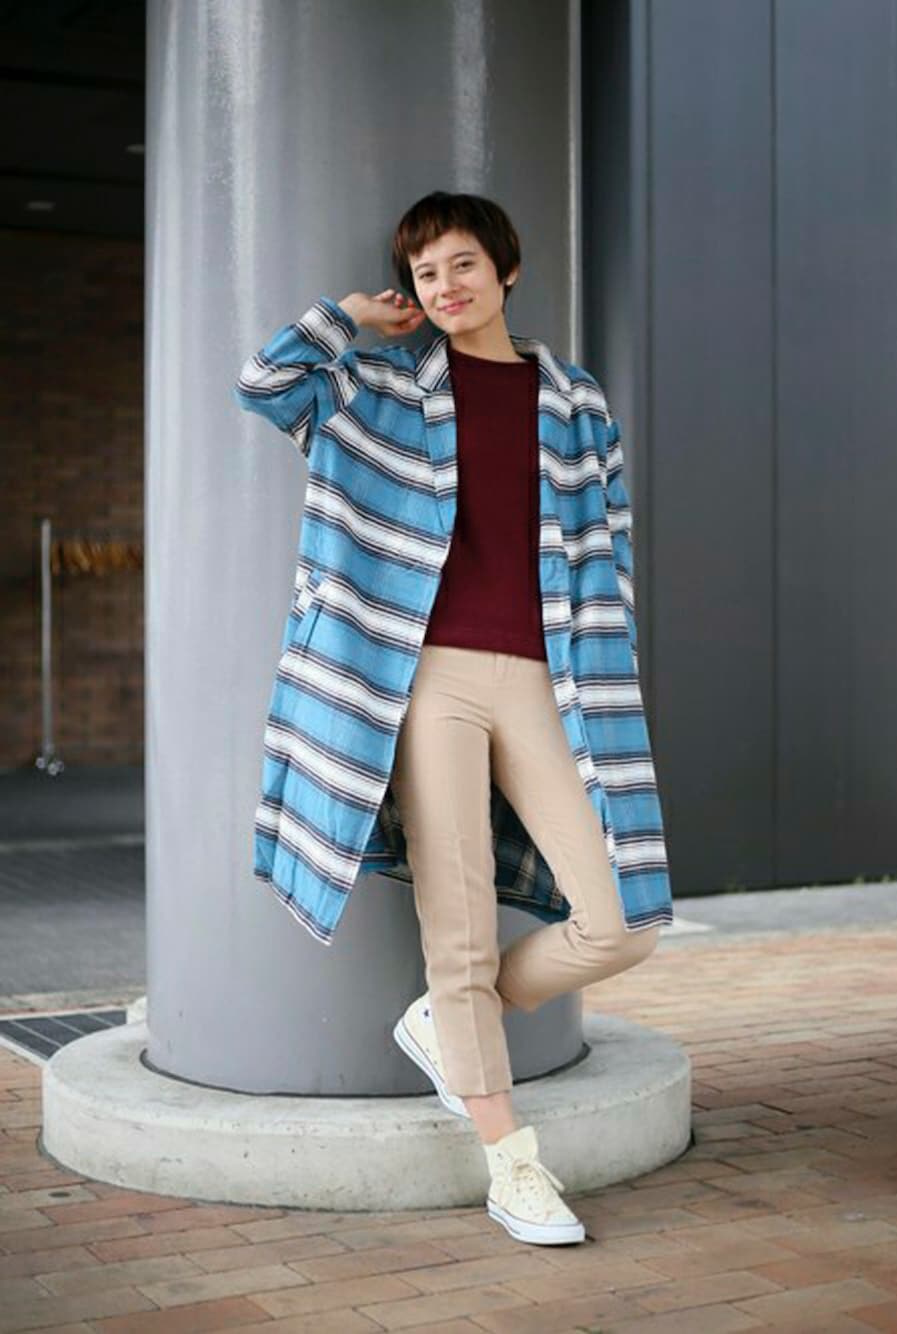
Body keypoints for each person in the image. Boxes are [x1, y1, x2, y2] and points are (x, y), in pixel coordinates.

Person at [237, 191, 668, 1247]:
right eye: (426, 273)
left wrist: (602, 664)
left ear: (505, 270)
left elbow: (609, 546)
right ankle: (511, 1165)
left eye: (463, 264)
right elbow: (265, 383)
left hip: (548, 676)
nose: (444, 287)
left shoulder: (575, 401)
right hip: (423, 678)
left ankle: (452, 1016)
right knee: (459, 924)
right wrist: (348, 316)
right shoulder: (379, 388)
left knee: (622, 922)